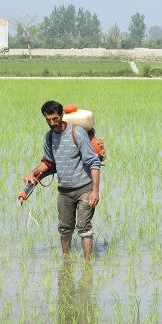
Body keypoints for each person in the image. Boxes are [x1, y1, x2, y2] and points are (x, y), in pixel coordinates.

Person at [24, 100, 101, 261]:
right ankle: (66, 262)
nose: (52, 123)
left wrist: (95, 191)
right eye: (48, 120)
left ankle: (88, 265)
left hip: (84, 188)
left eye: (55, 118)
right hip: (64, 191)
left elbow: (93, 162)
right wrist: (33, 173)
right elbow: (48, 162)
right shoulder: (49, 137)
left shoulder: (77, 133)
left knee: (84, 227)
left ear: (62, 116)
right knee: (65, 228)